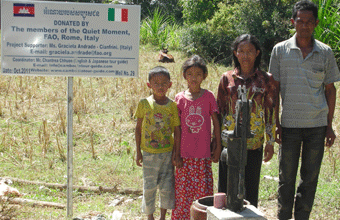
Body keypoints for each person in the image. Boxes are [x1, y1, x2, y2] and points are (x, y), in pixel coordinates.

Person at [269, 1, 340, 219]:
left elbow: (330, 90)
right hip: (289, 124)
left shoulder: (325, 52)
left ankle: (302, 217)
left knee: (310, 178)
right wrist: (275, 124)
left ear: (316, 23)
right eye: (301, 21)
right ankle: (283, 215)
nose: (305, 25)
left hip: (317, 127)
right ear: (293, 22)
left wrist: (329, 126)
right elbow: (273, 89)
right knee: (286, 178)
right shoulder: (280, 50)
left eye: (310, 21)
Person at [216, 34, 277, 207]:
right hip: (230, 142)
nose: (245, 55)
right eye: (241, 51)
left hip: (254, 142)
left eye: (249, 51)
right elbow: (219, 111)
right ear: (235, 53)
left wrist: (270, 142)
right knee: (226, 188)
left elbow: (270, 112)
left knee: (250, 190)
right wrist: (217, 142)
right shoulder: (226, 79)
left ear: (257, 53)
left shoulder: (266, 79)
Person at [171, 55, 222, 219]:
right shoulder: (179, 99)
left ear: (204, 76)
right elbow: (176, 128)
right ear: (184, 76)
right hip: (184, 157)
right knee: (183, 193)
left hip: (203, 156)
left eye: (198, 74)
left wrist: (218, 145)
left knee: (202, 195)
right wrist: (176, 153)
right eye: (190, 74)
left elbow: (216, 121)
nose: (194, 78)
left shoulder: (208, 97)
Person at [134, 66, 181, 220]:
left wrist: (176, 153)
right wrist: (138, 151)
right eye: (156, 83)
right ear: (149, 85)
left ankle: (162, 216)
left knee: (167, 187)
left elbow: (177, 130)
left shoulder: (172, 106)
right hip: (148, 153)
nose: (160, 87)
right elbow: (138, 129)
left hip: (167, 154)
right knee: (149, 187)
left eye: (164, 83)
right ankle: (150, 217)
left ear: (170, 84)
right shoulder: (144, 104)